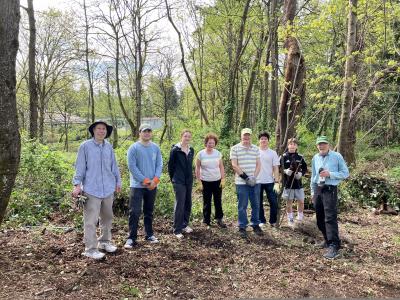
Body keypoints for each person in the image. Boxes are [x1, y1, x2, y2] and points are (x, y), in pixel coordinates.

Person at [72, 120, 121, 260]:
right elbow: (79, 167)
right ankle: (91, 249)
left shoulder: (108, 147)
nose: (101, 131)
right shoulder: (85, 146)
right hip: (91, 189)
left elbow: (114, 166)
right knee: (90, 220)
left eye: (104, 129)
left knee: (107, 217)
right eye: (99, 128)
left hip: (108, 188)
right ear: (93, 131)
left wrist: (118, 181)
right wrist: (77, 185)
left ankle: (104, 242)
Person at [124, 124, 163, 249]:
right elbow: (132, 167)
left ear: (151, 133)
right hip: (137, 186)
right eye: (144, 131)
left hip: (152, 185)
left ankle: (149, 234)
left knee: (149, 211)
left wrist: (155, 180)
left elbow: (159, 164)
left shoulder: (155, 148)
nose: (146, 133)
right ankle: (131, 238)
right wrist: (145, 180)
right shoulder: (133, 148)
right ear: (139, 133)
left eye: (149, 131)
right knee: (135, 212)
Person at [311, 136, 349, 260]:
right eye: (319, 144)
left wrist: (330, 174)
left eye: (323, 144)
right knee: (319, 217)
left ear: (328, 144)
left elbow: (345, 173)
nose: (321, 146)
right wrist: (313, 192)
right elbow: (313, 176)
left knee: (330, 217)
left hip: (330, 189)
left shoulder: (337, 156)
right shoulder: (315, 158)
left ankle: (334, 245)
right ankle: (327, 240)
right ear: (317, 146)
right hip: (318, 189)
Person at [230, 128, 263, 238]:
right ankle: (242, 226)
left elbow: (258, 164)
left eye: (248, 136)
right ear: (241, 136)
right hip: (241, 182)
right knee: (242, 205)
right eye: (244, 136)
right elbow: (234, 165)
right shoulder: (235, 148)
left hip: (254, 182)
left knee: (256, 204)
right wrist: (246, 177)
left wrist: (253, 177)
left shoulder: (256, 149)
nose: (246, 138)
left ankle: (255, 224)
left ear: (251, 137)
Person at [195, 133, 226, 228]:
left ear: (215, 143)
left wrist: (223, 178)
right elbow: (197, 168)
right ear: (206, 143)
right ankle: (206, 220)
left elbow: (221, 166)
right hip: (205, 181)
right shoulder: (200, 154)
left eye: (212, 143)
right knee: (207, 201)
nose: (211, 144)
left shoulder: (218, 153)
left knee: (218, 200)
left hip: (217, 181)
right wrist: (199, 181)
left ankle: (219, 219)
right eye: (209, 143)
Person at [168, 129, 195, 239]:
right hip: (178, 181)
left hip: (188, 181)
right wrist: (173, 179)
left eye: (189, 136)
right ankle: (177, 229)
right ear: (181, 137)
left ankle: (184, 224)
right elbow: (170, 166)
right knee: (180, 204)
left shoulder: (191, 150)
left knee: (188, 202)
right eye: (185, 136)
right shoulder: (175, 150)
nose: (187, 138)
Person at [281, 138, 307, 226]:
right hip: (288, 184)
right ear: (288, 145)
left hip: (298, 184)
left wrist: (301, 173)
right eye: (291, 144)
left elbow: (305, 168)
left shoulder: (300, 157)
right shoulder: (283, 156)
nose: (292, 146)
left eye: (294, 144)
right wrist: (285, 171)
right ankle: (290, 219)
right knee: (289, 202)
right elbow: (278, 168)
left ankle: (300, 218)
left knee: (301, 201)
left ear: (297, 146)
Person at [256, 131, 280, 227]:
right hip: (257, 181)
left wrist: (277, 181)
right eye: (261, 139)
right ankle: (261, 220)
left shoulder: (273, 153)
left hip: (270, 181)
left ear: (268, 141)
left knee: (273, 202)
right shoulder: (255, 151)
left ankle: (273, 221)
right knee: (259, 202)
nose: (263, 140)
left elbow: (276, 168)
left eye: (265, 139)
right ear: (259, 140)